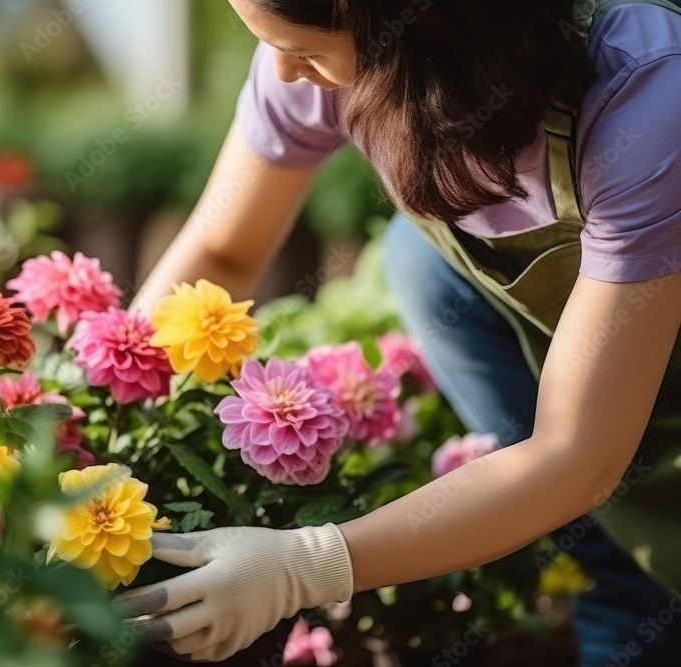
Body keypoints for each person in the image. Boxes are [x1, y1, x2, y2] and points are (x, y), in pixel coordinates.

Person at [117, 0, 681, 664]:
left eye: (304, 49)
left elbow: (575, 450)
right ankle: (620, 586)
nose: (282, 71)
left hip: (625, 394)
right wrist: (96, 413)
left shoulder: (644, 89)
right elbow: (220, 253)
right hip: (604, 385)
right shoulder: (324, 60)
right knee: (421, 264)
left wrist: (311, 562)